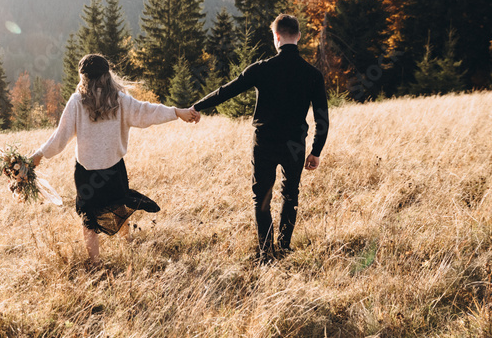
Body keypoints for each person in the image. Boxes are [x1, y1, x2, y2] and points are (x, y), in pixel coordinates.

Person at [29, 54, 200, 261]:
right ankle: (126, 245)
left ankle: (95, 262)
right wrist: (176, 112)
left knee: (88, 218)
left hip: (86, 173)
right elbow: (147, 112)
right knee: (119, 204)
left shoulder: (77, 101)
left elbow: (60, 137)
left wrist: (39, 154)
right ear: (107, 75)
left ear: (83, 78)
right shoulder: (119, 100)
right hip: (113, 169)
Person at [192, 14, 329, 261]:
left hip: (264, 142)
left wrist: (197, 107)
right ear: (297, 36)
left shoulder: (261, 69)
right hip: (295, 144)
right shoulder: (312, 74)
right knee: (291, 194)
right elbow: (322, 118)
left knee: (262, 196)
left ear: (276, 37)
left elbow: (226, 91)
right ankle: (284, 247)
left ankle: (266, 252)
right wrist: (316, 151)